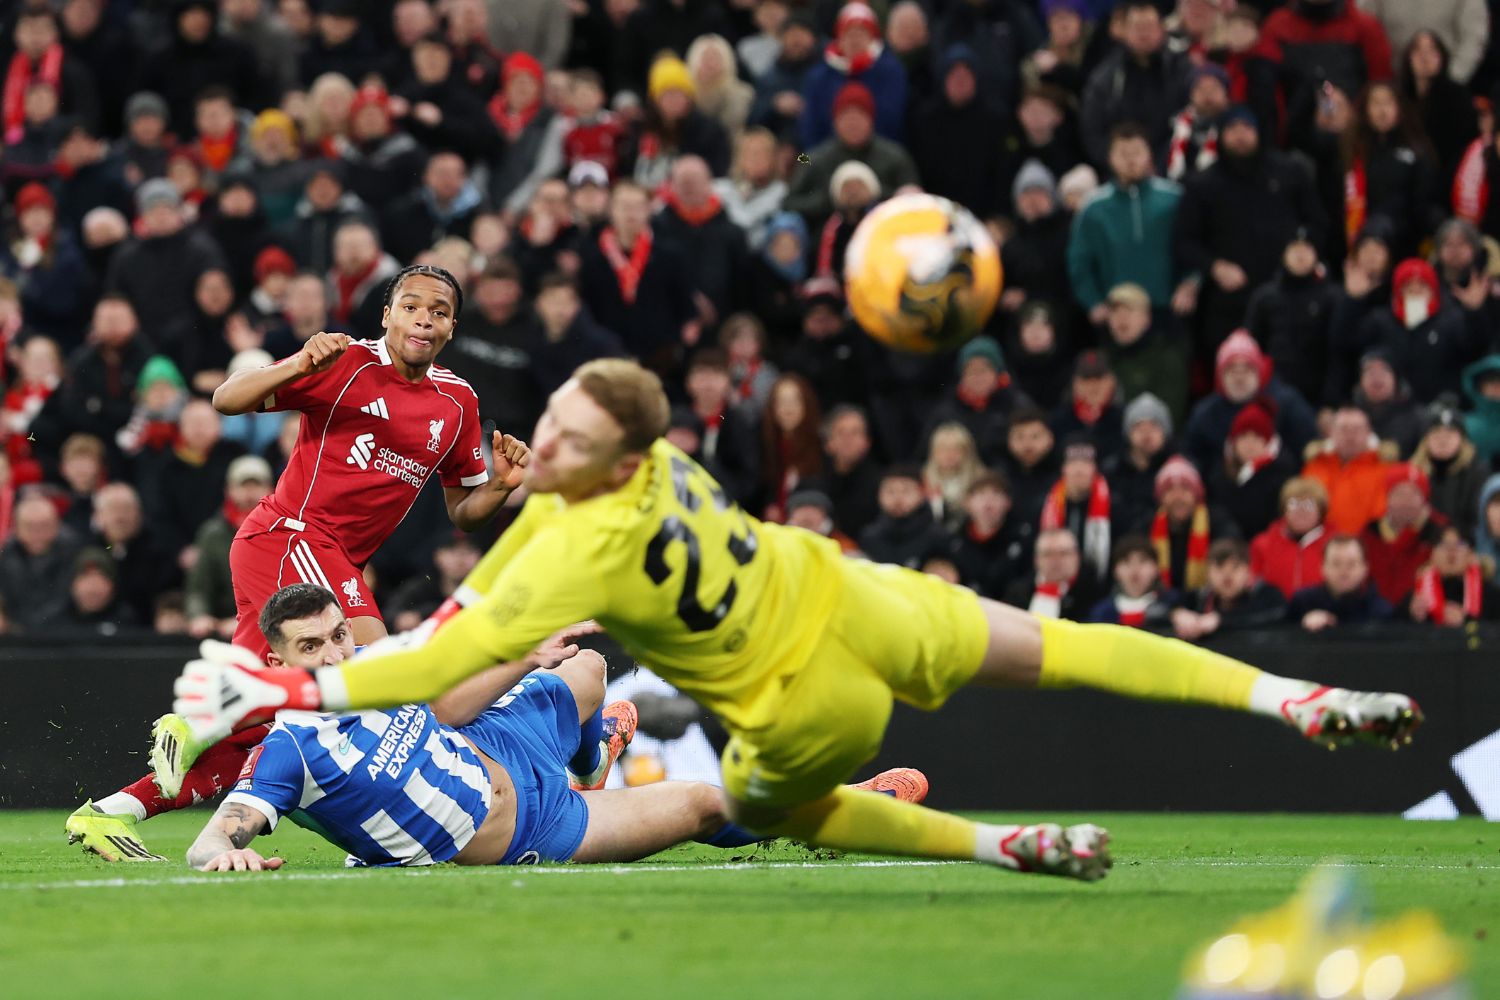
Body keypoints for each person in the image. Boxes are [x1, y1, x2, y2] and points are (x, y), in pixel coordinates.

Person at [174, 359, 1423, 883]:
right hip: (851, 587)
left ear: (603, 461)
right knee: (1067, 648)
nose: (530, 437)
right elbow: (451, 658)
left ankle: (1001, 845)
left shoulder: (566, 546)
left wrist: (265, 692)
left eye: (556, 434)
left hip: (797, 696)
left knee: (762, 795)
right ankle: (1287, 696)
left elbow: (444, 655)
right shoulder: (655, 467)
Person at [185, 455, 275, 640]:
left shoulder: (283, 530)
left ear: (270, 489)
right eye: (243, 486)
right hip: (224, 625)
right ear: (229, 490)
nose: (249, 493)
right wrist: (199, 616)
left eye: (256, 485)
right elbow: (198, 587)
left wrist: (250, 621)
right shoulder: (212, 534)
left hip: (274, 623)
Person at [1358, 463, 1448, 606]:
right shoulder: (1369, 533)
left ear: (1424, 498)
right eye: (1399, 493)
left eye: (1414, 493)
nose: (1407, 500)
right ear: (1387, 497)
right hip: (1374, 617)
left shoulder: (1440, 533)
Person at [1171, 539, 1287, 642]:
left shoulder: (1267, 595)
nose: (1227, 577)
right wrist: (1177, 614)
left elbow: (1277, 616)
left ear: (1248, 570)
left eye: (1235, 568)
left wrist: (1221, 621)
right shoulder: (1199, 597)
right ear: (1207, 573)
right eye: (1219, 568)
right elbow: (1159, 608)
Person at [1302, 406, 1394, 534]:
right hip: (1317, 544)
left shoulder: (1386, 470)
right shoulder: (1314, 467)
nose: (1350, 436)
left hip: (1365, 546)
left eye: (1357, 430)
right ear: (1332, 433)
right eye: (1344, 429)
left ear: (1368, 432)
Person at [1412, 396, 1491, 533]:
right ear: (1425, 441)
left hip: (1466, 544)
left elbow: (1477, 520)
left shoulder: (1478, 473)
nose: (1443, 441)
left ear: (1462, 439)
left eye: (1450, 434)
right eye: (1436, 434)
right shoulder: (1412, 474)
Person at [1287, 535, 1394, 631]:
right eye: (1336, 563)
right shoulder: (1301, 604)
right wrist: (1303, 626)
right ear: (1323, 567)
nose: (1344, 571)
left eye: (1351, 564)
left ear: (1365, 568)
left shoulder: (1381, 612)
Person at [1251, 477, 1333, 599]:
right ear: (1284, 509)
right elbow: (1253, 585)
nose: (1301, 511)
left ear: (1321, 510)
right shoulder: (1262, 544)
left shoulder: (1335, 545)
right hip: (1274, 614)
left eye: (1309, 505)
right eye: (1294, 504)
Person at [858, 464, 949, 569]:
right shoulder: (869, 537)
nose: (898, 498)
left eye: (906, 491)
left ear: (922, 494)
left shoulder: (939, 537)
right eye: (890, 491)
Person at [1003, 525, 1103, 621]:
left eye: (1063, 553)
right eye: (1048, 554)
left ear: (1077, 557)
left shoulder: (1092, 594)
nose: (1056, 560)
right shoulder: (1017, 593)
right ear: (1036, 559)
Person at [1407, 525, 1500, 625]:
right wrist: (1414, 616)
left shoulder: (1492, 596)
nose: (1451, 551)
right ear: (1432, 554)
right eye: (1443, 544)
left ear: (1471, 554)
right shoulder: (1418, 594)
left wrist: (1465, 622)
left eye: (1459, 544)